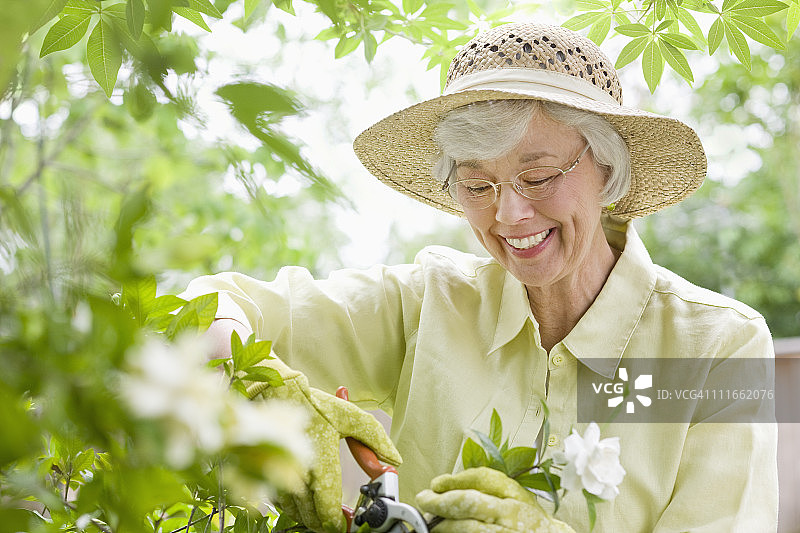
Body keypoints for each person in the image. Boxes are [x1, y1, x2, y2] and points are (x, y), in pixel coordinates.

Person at [183, 22, 778, 533]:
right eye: (477, 186)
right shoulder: (427, 304)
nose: (509, 214)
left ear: (608, 171)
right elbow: (193, 308)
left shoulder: (718, 348)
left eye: (540, 176)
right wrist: (267, 386)